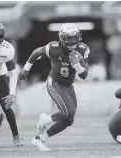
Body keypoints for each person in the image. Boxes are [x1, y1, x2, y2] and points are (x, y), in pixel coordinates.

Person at [19, 23, 90, 151]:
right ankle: (45, 119)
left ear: (78, 37)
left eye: (74, 38)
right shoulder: (53, 47)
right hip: (55, 83)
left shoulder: (82, 49)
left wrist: (77, 65)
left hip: (68, 85)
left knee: (69, 120)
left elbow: (84, 75)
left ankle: (39, 139)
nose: (72, 41)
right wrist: (26, 69)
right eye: (68, 38)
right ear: (62, 39)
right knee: (69, 111)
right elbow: (36, 52)